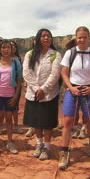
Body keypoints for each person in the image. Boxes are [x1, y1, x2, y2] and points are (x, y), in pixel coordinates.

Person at [58, 26, 90, 170]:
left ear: (88, 38)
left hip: (89, 90)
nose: (82, 40)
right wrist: (71, 88)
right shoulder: (70, 53)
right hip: (73, 89)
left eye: (84, 37)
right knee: (68, 121)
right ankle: (64, 152)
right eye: (79, 37)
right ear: (76, 38)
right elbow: (64, 73)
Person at [23, 29, 62, 160]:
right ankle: (39, 144)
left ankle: (47, 146)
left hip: (49, 95)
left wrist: (43, 89)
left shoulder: (55, 54)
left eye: (48, 36)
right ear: (38, 38)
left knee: (47, 122)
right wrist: (36, 88)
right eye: (43, 36)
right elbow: (27, 73)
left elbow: (55, 74)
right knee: (36, 121)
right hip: (33, 93)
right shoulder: (30, 54)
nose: (46, 38)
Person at [0, 40, 22, 156]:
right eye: (3, 48)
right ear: (0, 50)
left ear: (11, 49)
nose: (6, 50)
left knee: (9, 119)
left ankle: (9, 142)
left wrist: (16, 95)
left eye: (8, 47)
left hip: (10, 95)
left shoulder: (15, 63)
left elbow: (19, 80)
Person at [10, 41, 24, 134]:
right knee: (4, 107)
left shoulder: (19, 59)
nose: (13, 48)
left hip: (16, 85)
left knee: (15, 106)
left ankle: (15, 125)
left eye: (15, 46)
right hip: (4, 86)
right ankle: (7, 125)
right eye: (11, 46)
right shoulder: (2, 59)